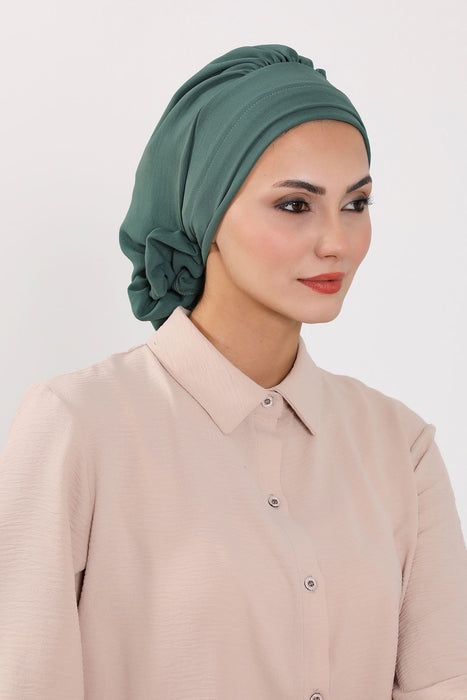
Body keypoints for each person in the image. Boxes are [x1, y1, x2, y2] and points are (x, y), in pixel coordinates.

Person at [1, 44, 466, 700]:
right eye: (295, 205)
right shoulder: (77, 428)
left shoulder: (400, 448)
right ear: (205, 212)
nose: (336, 241)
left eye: (356, 204)